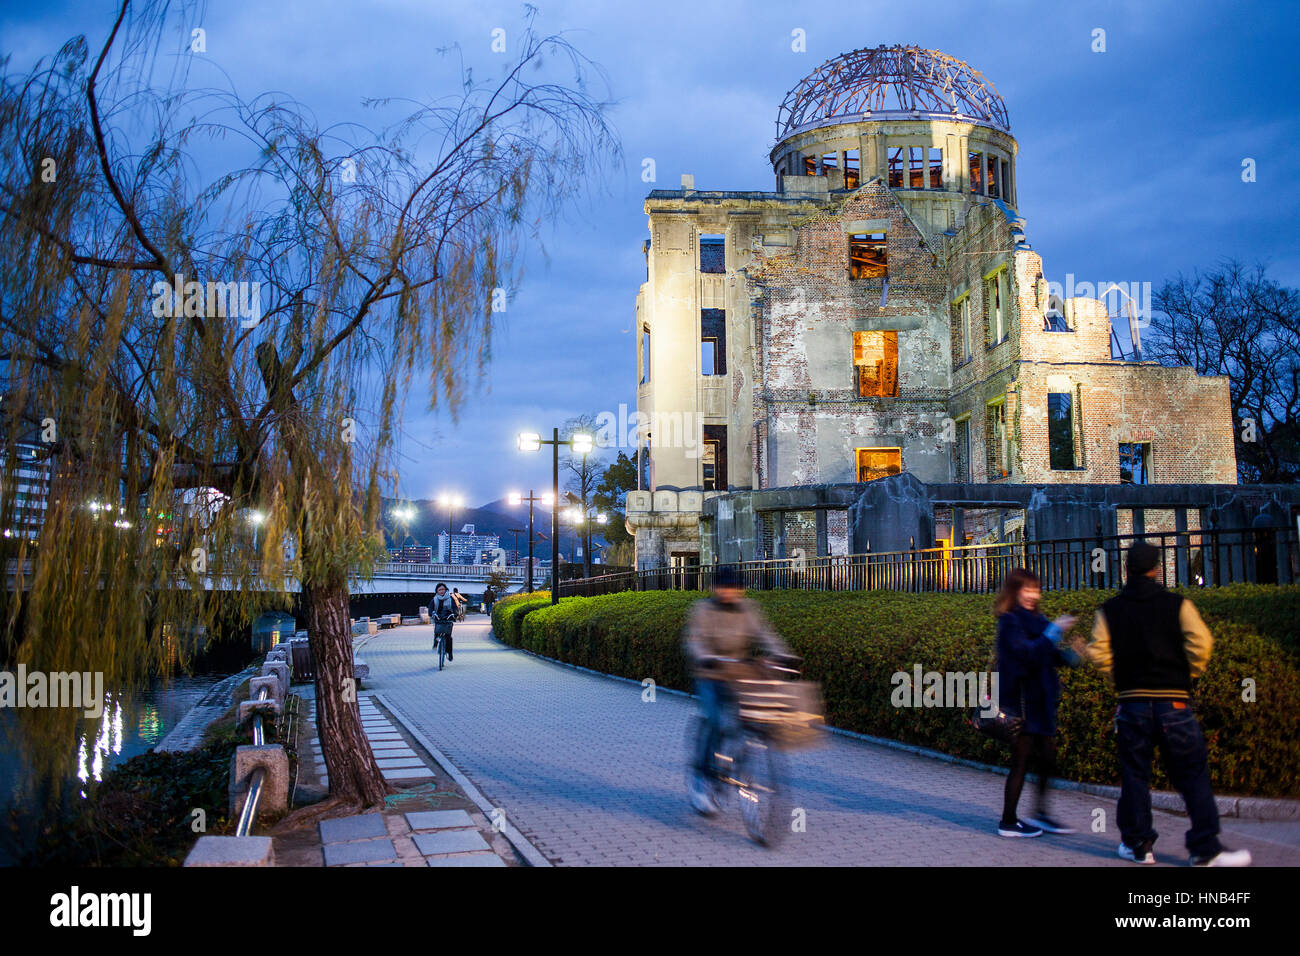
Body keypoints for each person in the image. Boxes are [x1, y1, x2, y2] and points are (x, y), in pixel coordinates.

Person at [1087, 542, 1251, 867]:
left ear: (1126, 569)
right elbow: (1202, 643)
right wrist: (1186, 674)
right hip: (1173, 703)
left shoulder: (1110, 609)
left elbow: (1097, 652)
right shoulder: (1178, 605)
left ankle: (1139, 846)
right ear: (1156, 569)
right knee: (1192, 775)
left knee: (1135, 776)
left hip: (1131, 703)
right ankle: (1204, 849)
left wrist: (1121, 677)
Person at [682, 565, 794, 816]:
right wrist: (705, 657)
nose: (729, 592)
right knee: (714, 720)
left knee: (750, 719)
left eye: (734, 587)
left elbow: (766, 635)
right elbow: (694, 640)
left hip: (739, 675)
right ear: (715, 587)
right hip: (710, 674)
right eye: (724, 587)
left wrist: (783, 655)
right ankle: (701, 778)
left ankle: (736, 759)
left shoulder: (748, 610)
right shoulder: (703, 609)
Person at [994, 568, 1082, 838]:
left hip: (1040, 703)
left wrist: (1073, 655)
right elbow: (1028, 654)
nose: (1033, 595)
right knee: (1020, 762)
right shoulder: (1010, 622)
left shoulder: (1038, 620)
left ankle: (1041, 814)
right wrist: (1054, 631)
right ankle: (1008, 822)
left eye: (1036, 589)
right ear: (1015, 592)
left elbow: (1048, 655)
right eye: (1027, 589)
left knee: (1047, 760)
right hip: (1022, 704)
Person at [431, 582, 457, 663]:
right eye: (440, 590)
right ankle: (436, 643)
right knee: (437, 632)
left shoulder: (450, 598)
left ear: (446, 590)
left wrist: (454, 614)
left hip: (448, 618)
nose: (441, 591)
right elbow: (430, 608)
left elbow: (454, 608)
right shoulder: (434, 599)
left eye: (443, 589)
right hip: (438, 618)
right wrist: (432, 613)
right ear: (437, 591)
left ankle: (450, 653)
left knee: (448, 637)